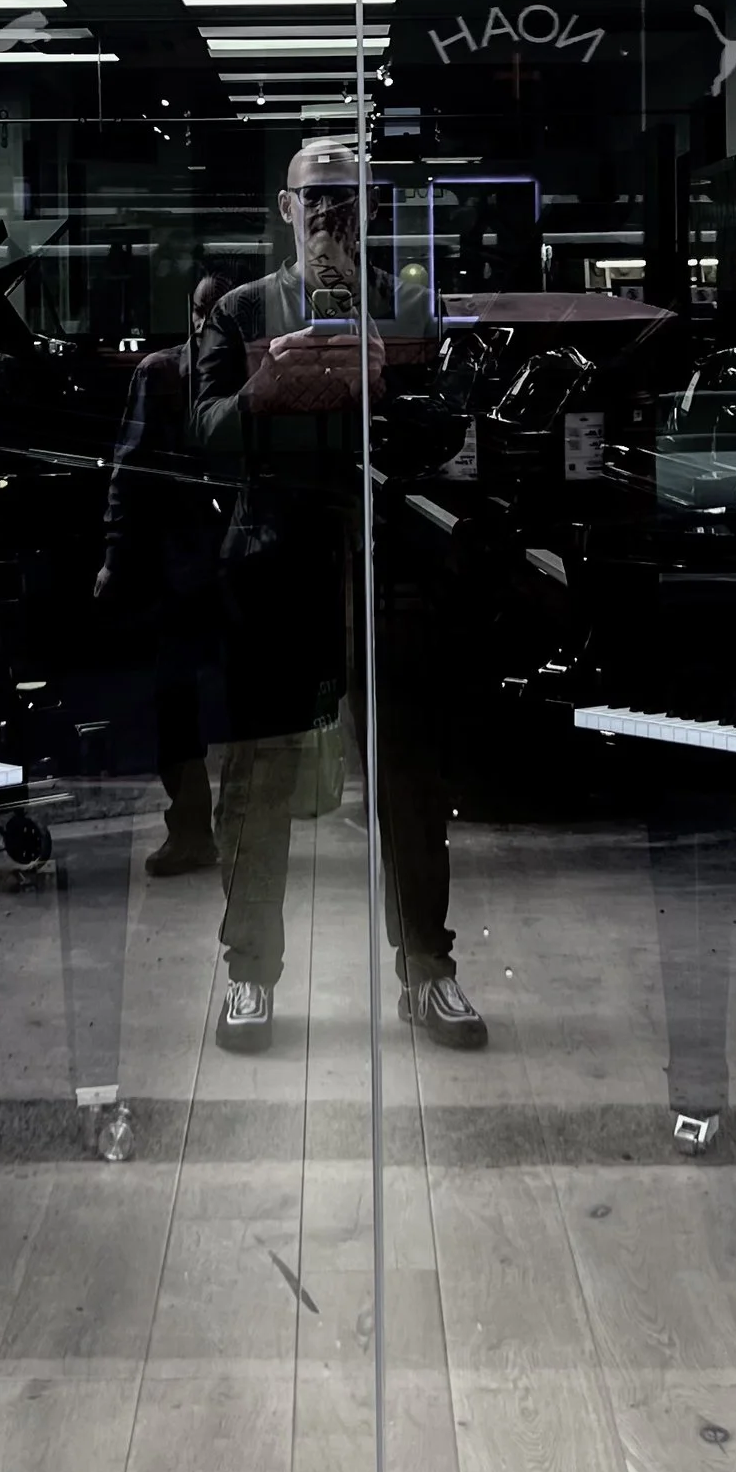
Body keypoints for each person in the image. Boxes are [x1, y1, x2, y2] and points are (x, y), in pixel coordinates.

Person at [189, 140, 488, 1057]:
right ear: (284, 210)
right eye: (314, 203)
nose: (328, 219)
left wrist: (385, 387)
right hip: (273, 570)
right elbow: (197, 437)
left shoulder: (406, 312)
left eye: (345, 202)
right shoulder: (237, 312)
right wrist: (264, 391)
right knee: (257, 779)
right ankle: (248, 973)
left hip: (382, 564)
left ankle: (427, 969)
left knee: (407, 773)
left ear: (371, 210)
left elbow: (451, 435)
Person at [96, 274, 226, 877]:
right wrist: (116, 555)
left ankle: (204, 828)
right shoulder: (161, 375)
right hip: (184, 568)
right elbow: (130, 472)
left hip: (219, 565)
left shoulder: (223, 372)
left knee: (200, 702)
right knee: (176, 702)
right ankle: (194, 827)